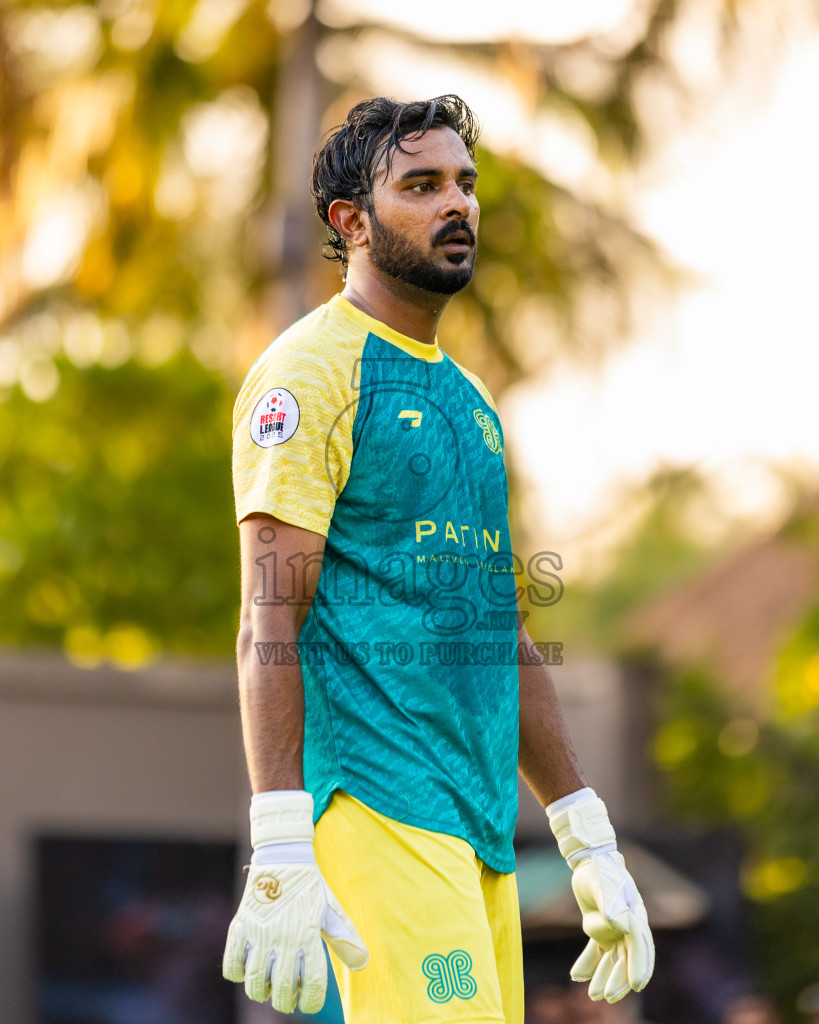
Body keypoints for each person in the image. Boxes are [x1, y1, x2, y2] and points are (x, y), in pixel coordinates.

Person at [222, 94, 654, 1024]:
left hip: (476, 830)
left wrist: (586, 835)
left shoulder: (470, 403)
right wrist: (280, 840)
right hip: (374, 809)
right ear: (353, 223)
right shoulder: (311, 372)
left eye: (464, 183)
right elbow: (270, 615)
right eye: (420, 185)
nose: (455, 203)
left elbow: (496, 629)